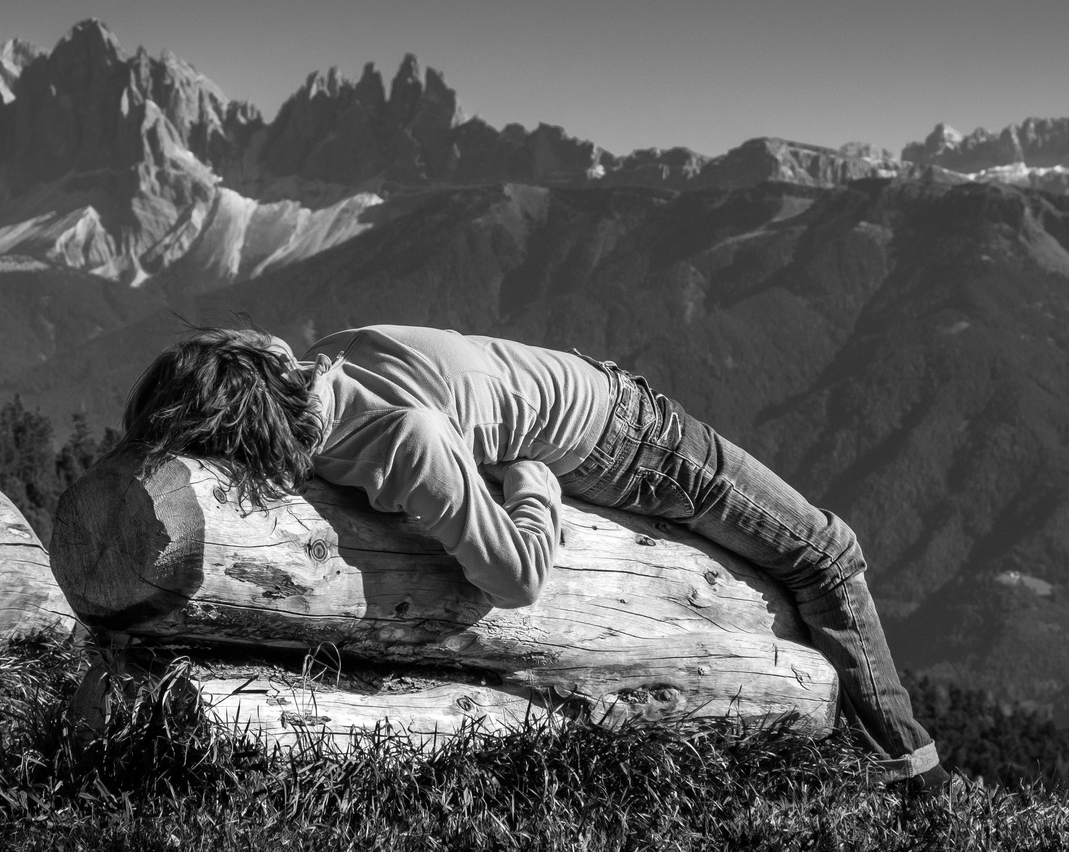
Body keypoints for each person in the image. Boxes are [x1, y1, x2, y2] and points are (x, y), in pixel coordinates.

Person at [120, 322, 946, 790]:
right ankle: (918, 775)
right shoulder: (386, 422)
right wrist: (535, 485)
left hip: (612, 412)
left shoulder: (388, 435)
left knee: (799, 561)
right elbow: (515, 577)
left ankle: (863, 759)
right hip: (633, 439)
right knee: (829, 558)